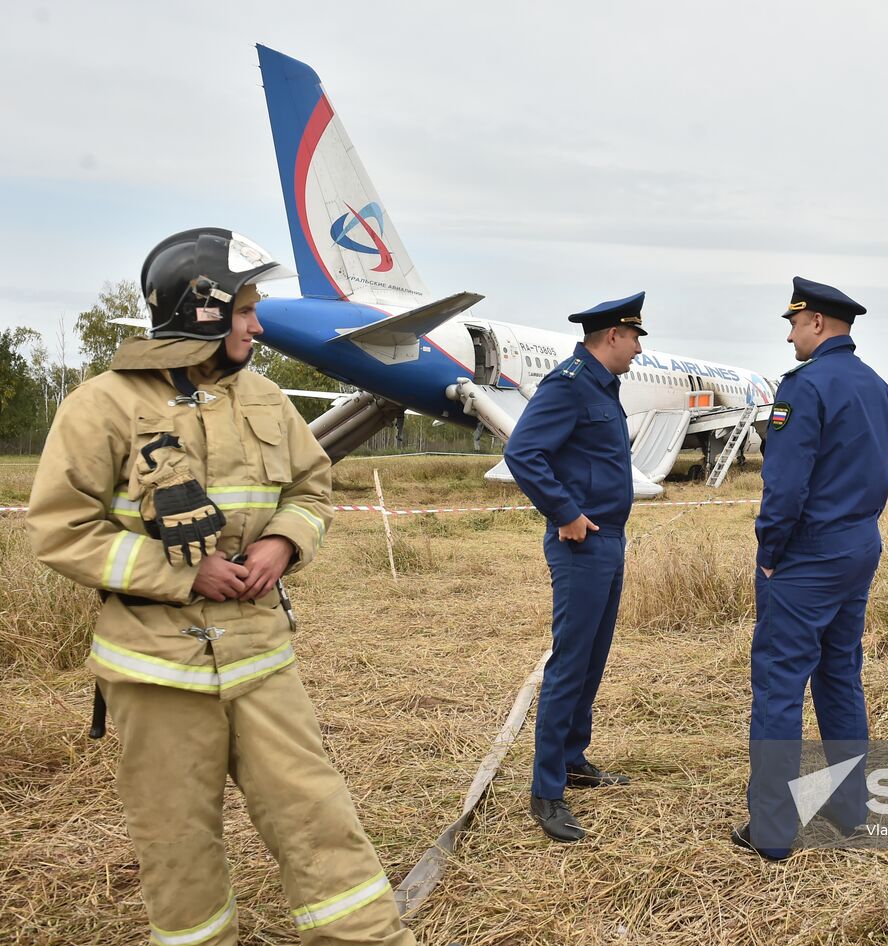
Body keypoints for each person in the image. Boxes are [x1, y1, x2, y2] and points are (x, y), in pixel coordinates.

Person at [26, 228, 414, 944]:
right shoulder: (100, 406)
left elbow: (312, 488)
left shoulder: (264, 396)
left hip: (263, 657)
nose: (256, 325)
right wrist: (180, 573)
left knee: (320, 819)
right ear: (200, 310)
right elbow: (58, 531)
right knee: (177, 846)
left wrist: (282, 542)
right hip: (155, 670)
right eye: (243, 310)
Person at [734, 277, 888, 860]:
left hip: (807, 554)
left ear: (819, 324)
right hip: (858, 546)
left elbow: (784, 484)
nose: (790, 334)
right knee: (839, 675)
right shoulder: (878, 388)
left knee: (779, 685)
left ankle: (773, 831)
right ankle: (850, 808)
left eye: (795, 323)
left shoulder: (804, 387)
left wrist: (771, 552)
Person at [503, 292, 646, 843]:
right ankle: (546, 792)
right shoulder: (567, 384)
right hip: (582, 543)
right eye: (634, 338)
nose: (637, 349)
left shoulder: (603, 386)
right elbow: (524, 452)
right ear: (612, 336)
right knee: (569, 663)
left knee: (592, 658)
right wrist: (564, 512)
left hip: (610, 539)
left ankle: (572, 759)